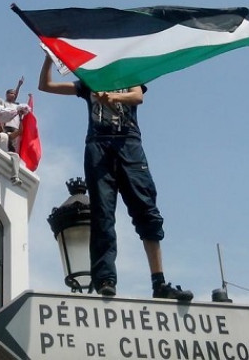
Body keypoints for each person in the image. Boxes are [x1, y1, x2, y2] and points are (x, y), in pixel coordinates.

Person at [38, 55, 193, 301]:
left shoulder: (130, 75)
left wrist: (112, 97)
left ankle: (159, 282)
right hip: (98, 145)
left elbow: (137, 97)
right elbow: (45, 86)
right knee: (102, 213)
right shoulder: (90, 81)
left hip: (128, 142)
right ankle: (105, 279)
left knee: (146, 210)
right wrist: (49, 58)